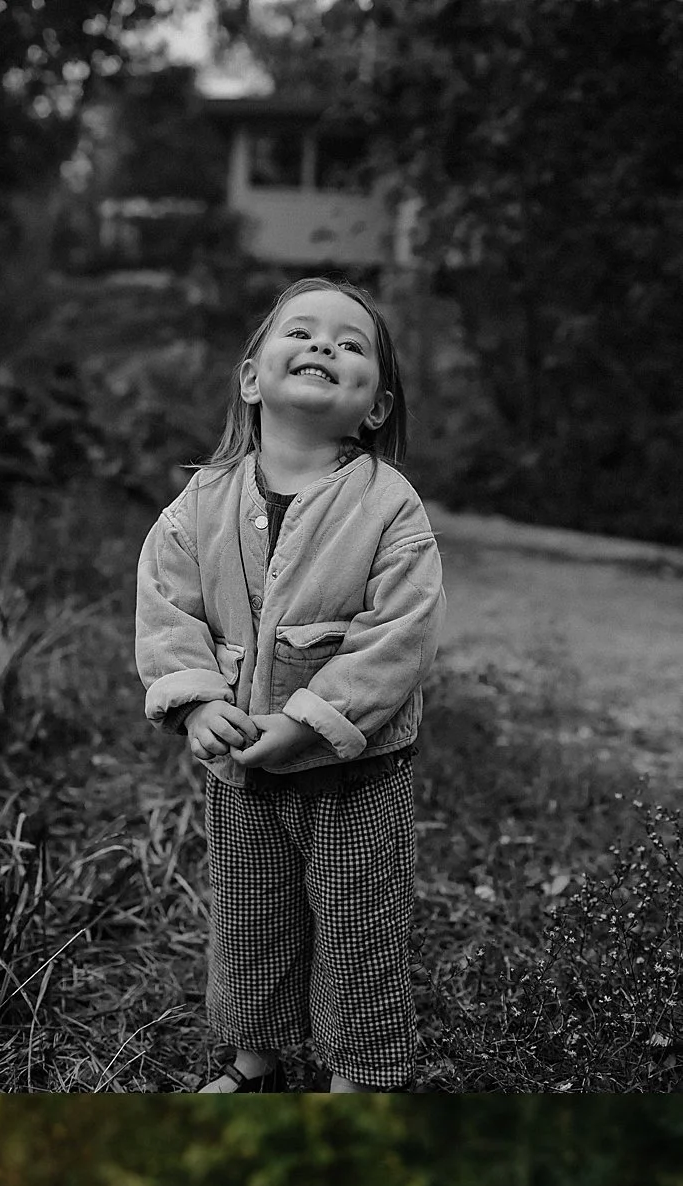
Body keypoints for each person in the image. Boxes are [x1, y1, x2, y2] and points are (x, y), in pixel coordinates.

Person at [136, 279, 445, 1092]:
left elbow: (399, 633)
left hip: (357, 773)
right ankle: (253, 1059)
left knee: (356, 928)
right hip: (243, 769)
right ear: (251, 377)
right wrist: (199, 698)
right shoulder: (202, 501)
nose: (323, 348)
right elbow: (167, 603)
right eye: (301, 333)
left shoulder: (389, 506)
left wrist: (311, 719)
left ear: (375, 405)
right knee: (249, 919)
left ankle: (360, 1073)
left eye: (350, 345)